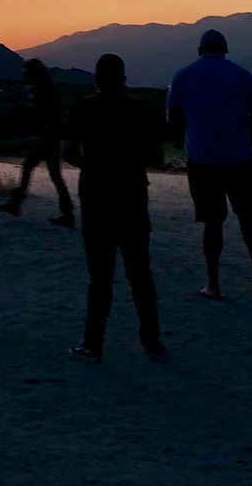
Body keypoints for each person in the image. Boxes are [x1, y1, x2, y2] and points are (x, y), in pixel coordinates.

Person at [61, 53, 165, 361]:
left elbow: (68, 152)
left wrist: (92, 167)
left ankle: (93, 343)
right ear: (123, 78)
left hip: (95, 196)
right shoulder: (140, 109)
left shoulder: (83, 108)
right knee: (140, 273)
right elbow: (156, 157)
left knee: (100, 276)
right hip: (132, 194)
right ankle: (152, 340)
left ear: (95, 78)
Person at [167, 29, 252, 299]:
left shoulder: (183, 75)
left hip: (202, 158)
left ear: (199, 50)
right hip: (238, 156)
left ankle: (213, 283)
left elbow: (173, 117)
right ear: (225, 50)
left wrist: (188, 135)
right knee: (247, 215)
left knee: (212, 222)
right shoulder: (241, 75)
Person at [0, 59, 76, 226]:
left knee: (33, 168)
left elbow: (45, 115)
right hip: (51, 137)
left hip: (47, 138)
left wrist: (43, 133)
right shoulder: (46, 89)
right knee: (53, 175)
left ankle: (16, 204)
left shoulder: (42, 91)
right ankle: (67, 212)